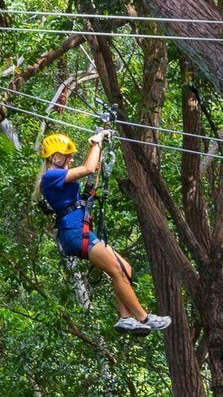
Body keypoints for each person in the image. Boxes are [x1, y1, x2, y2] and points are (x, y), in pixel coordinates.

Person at [34, 131, 171, 335]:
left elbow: (88, 172)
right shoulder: (51, 177)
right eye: (68, 155)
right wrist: (96, 141)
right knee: (116, 269)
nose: (71, 159)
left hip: (81, 230)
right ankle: (144, 317)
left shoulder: (59, 178)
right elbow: (89, 167)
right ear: (55, 157)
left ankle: (125, 319)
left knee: (125, 268)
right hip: (75, 233)